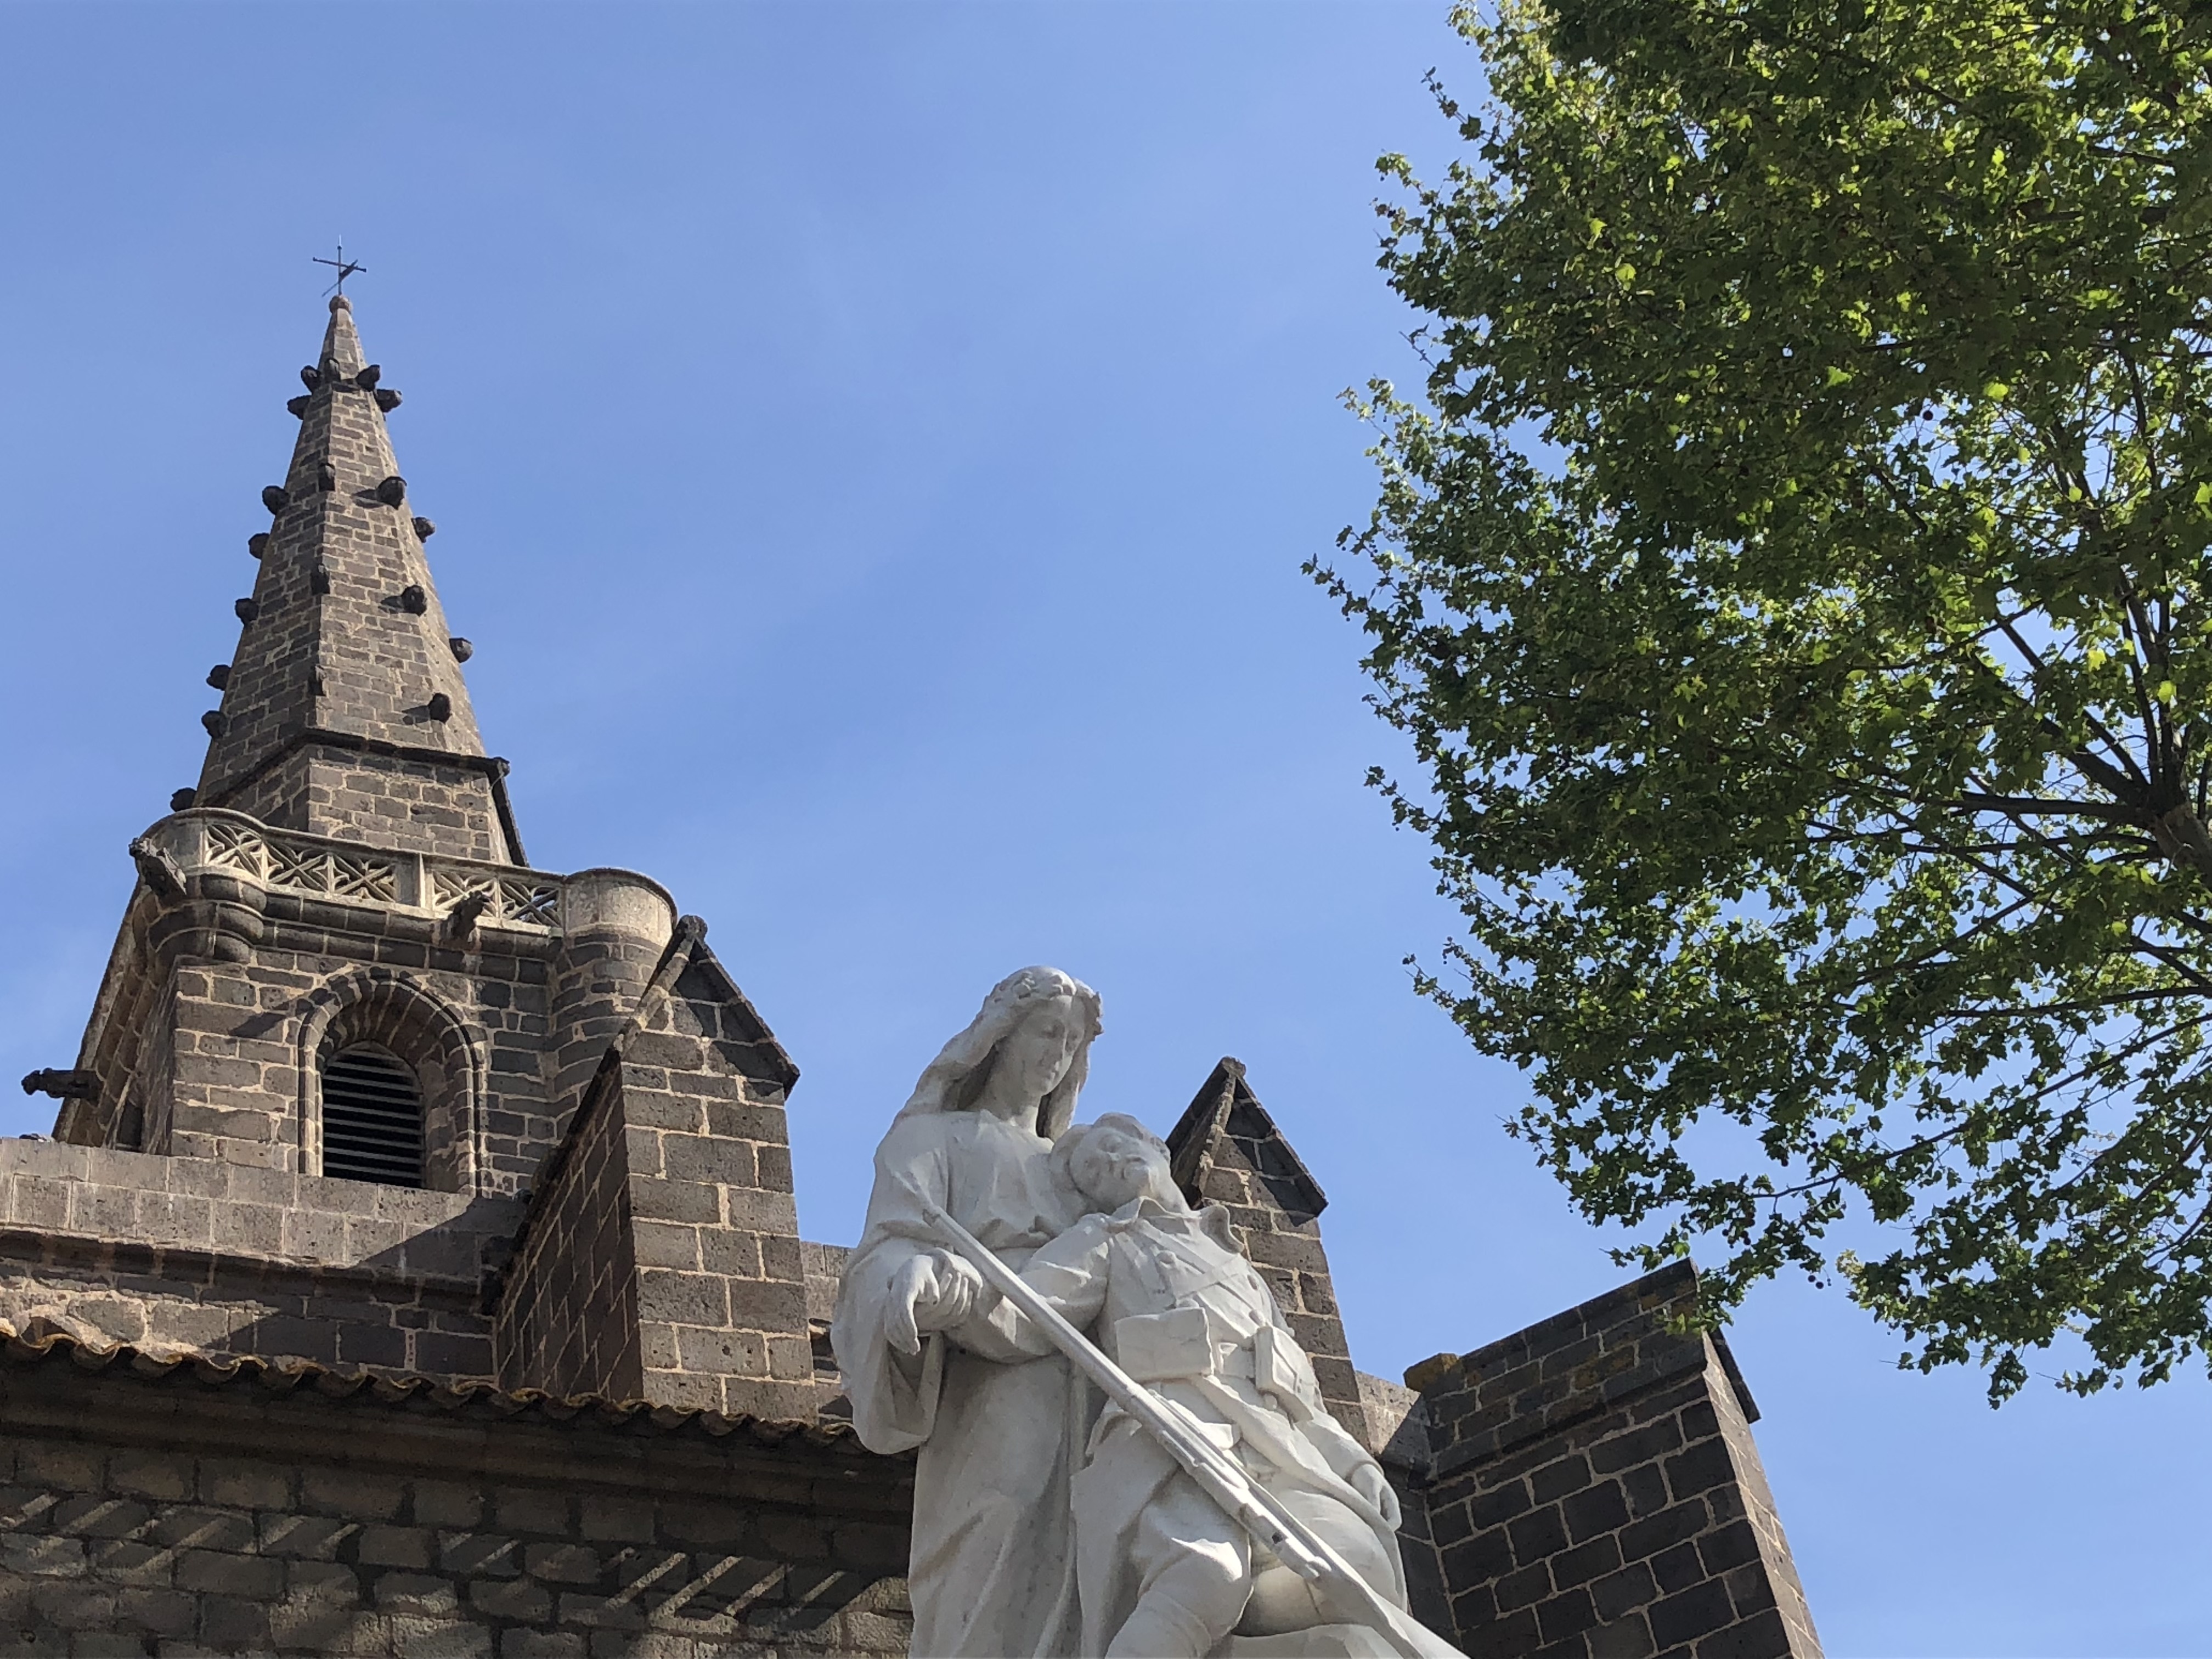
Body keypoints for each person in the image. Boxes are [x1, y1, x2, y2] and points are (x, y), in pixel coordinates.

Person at [915, 1114, 1412, 1659]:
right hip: (1169, 1440)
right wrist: (954, 1292)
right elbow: (1028, 1309)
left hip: (1282, 1452)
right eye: (1093, 1174)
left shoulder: (1243, 1271)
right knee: (1207, 1573)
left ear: (1156, 1148)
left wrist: (1358, 1465)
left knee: (1359, 1569)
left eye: (1112, 1147)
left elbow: (1308, 1404)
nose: (1108, 1165)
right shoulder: (1107, 1240)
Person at [830, 967, 1102, 1658]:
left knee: (1105, 1548)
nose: (1056, 1055)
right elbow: (882, 1255)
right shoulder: (933, 1141)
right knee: (999, 1523)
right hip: (997, 1383)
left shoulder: (1077, 1169)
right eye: (1047, 1032)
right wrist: (912, 1284)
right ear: (1001, 1037)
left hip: (1094, 1384)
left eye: (1072, 1044)